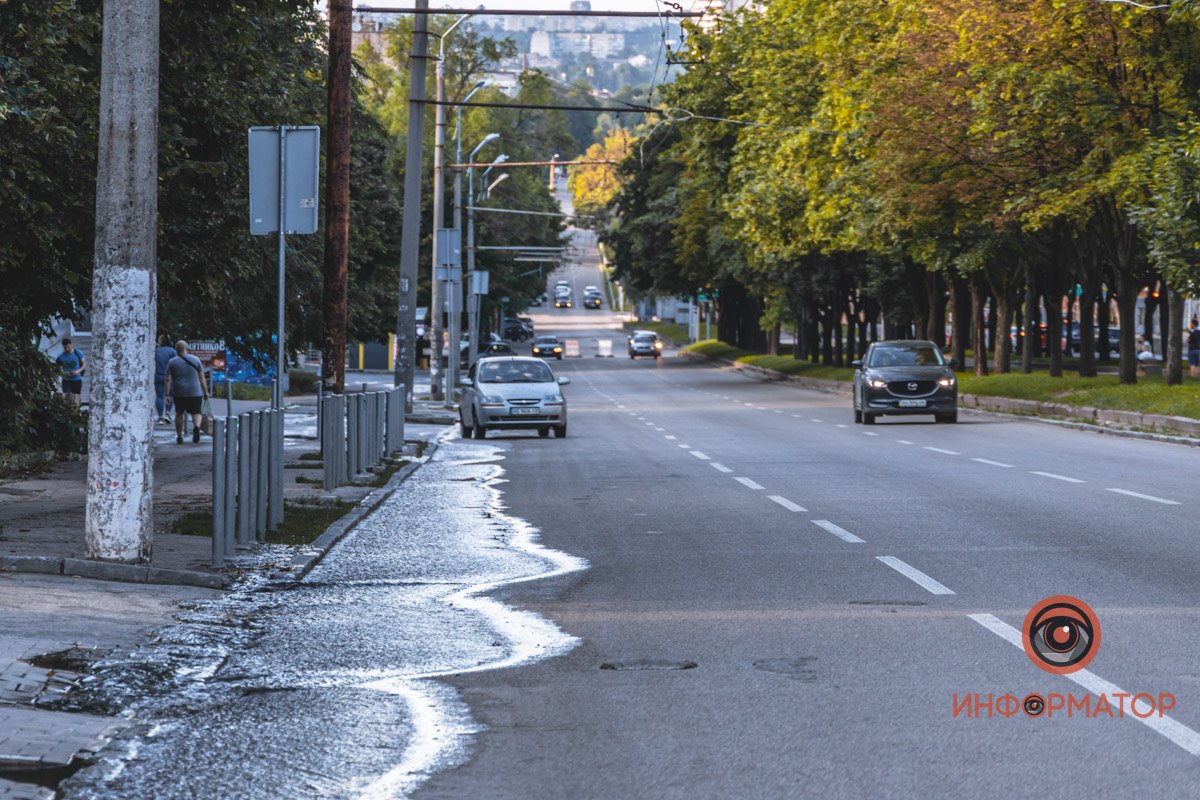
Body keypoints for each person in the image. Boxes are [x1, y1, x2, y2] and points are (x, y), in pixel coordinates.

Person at [163, 340, 210, 444]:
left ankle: (179, 436)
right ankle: (196, 427)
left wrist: (167, 394)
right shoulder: (196, 359)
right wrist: (206, 391)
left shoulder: (172, 362)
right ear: (186, 348)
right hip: (195, 391)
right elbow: (202, 377)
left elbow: (168, 379)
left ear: (176, 349)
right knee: (196, 413)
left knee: (179, 413)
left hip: (179, 392)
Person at [54, 337, 85, 407]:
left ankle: (76, 414)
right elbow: (57, 369)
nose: (67, 349)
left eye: (68, 347)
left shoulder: (78, 353)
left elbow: (84, 364)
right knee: (67, 398)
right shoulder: (61, 357)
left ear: (71, 345)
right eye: (65, 348)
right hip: (66, 381)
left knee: (76, 399)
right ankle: (67, 415)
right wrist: (62, 373)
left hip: (77, 380)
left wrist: (78, 371)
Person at [154, 333, 176, 424]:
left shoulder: (156, 351)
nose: (158, 341)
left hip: (158, 375)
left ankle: (160, 417)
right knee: (169, 395)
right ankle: (167, 414)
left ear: (162, 341)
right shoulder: (172, 351)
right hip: (170, 377)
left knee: (159, 396)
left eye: (159, 339)